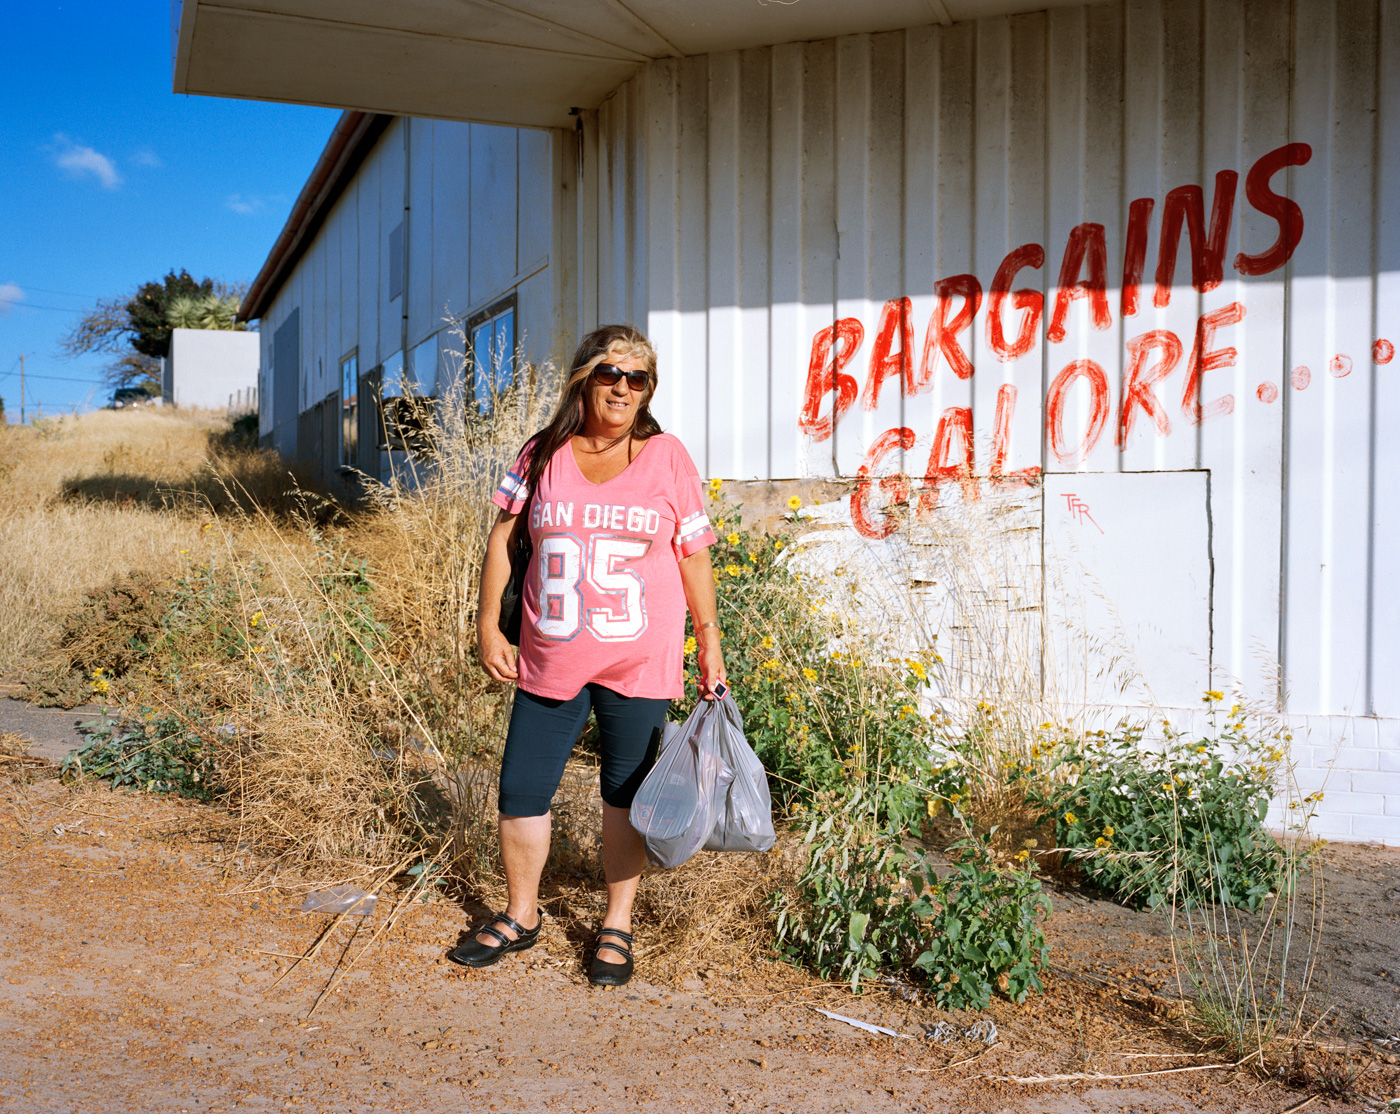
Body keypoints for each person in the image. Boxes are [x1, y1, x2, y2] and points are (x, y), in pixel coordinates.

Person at [451, 324, 726, 987]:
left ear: (648, 391)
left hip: (640, 661)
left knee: (625, 796)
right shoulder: (543, 453)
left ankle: (616, 923)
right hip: (550, 657)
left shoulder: (668, 458)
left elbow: (694, 555)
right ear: (583, 378)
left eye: (639, 379)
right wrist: (488, 625)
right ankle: (521, 916)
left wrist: (710, 645)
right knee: (521, 789)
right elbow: (502, 539)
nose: (624, 389)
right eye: (611, 373)